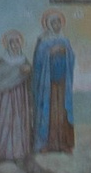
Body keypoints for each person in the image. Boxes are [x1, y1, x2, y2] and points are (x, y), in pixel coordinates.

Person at [0, 32, 34, 173]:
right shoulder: (2, 61)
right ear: (8, 45)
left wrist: (29, 71)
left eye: (18, 43)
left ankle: (18, 156)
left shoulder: (24, 60)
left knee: (18, 124)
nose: (16, 45)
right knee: (3, 124)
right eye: (13, 43)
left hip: (20, 98)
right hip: (4, 98)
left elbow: (31, 76)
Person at [31, 11, 76, 156]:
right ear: (48, 25)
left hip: (62, 82)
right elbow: (37, 61)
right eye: (53, 23)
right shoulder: (43, 41)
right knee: (48, 112)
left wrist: (66, 52)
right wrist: (50, 52)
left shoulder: (65, 40)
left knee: (62, 112)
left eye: (58, 22)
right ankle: (46, 144)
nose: (56, 25)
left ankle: (64, 144)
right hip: (48, 85)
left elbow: (72, 58)